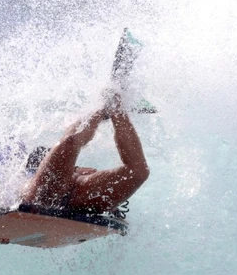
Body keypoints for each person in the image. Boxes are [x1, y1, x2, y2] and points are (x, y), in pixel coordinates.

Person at [19, 89, 149, 214]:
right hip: (41, 198)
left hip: (76, 196)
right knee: (68, 144)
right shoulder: (29, 181)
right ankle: (101, 108)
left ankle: (115, 106)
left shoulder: (76, 175)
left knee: (139, 172)